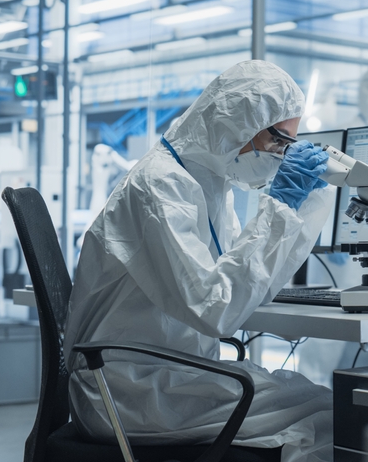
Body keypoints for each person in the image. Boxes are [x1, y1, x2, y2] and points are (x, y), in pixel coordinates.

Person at [63, 60, 334, 462]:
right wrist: (281, 207)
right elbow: (215, 308)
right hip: (125, 391)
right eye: (279, 141)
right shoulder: (160, 187)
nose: (280, 155)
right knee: (331, 414)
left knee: (323, 405)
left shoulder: (209, 188)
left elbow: (237, 289)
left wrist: (302, 204)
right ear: (240, 122)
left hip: (161, 378)